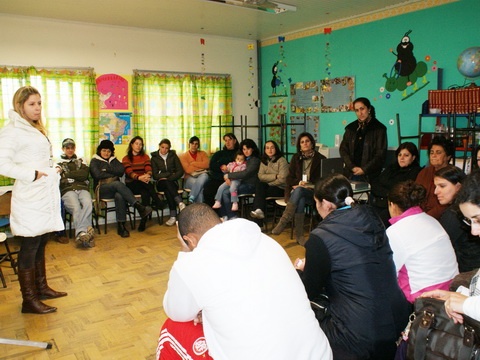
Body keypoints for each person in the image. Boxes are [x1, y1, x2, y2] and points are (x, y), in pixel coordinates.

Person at [158, 203, 333, 360]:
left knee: (172, 327)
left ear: (189, 239)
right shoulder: (266, 240)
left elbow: (176, 311)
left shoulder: (193, 264)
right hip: (319, 354)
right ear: (220, 221)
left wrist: (184, 251)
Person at [294, 174, 409, 359]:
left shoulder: (321, 236)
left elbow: (309, 289)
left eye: (316, 203)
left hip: (358, 332)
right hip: (396, 318)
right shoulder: (374, 219)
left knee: (299, 311)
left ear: (325, 203)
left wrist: (301, 271)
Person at [0, 86, 66, 314]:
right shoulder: (11, 131)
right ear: (20, 106)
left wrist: (51, 168)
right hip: (29, 196)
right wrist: (33, 175)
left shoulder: (33, 129)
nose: (37, 108)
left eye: (39, 103)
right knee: (29, 246)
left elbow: (36, 158)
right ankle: (29, 300)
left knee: (40, 242)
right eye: (32, 104)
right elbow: (3, 164)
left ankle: (41, 288)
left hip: (43, 195)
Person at [386, 180, 459, 303]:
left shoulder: (396, 231)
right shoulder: (432, 220)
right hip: (452, 288)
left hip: (424, 297)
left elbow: (389, 270)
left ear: (392, 205)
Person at [422, 171, 480, 324]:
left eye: (478, 220)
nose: (474, 231)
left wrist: (465, 304)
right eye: (470, 221)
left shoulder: (451, 216)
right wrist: (457, 296)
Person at [90, 139, 152, 238]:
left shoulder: (114, 160)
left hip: (114, 189)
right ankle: (138, 206)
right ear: (100, 151)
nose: (106, 153)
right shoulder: (94, 161)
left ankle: (121, 226)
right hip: (102, 189)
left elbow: (121, 171)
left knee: (120, 195)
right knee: (117, 184)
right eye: (104, 150)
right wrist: (112, 171)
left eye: (109, 151)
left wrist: (106, 169)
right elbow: (97, 175)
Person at [271, 132, 325, 245]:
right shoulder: (296, 158)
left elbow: (324, 180)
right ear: (299, 145)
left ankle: (284, 221)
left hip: (313, 193)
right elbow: (289, 178)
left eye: (307, 141)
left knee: (299, 192)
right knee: (299, 196)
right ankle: (299, 236)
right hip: (298, 192)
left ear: (312, 143)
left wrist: (310, 185)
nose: (305, 144)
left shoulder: (321, 159)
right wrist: (298, 183)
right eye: (302, 142)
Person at [435, 165, 480, 272]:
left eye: (442, 186)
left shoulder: (453, 214)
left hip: (467, 269)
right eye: (469, 221)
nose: (436, 191)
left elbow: (439, 249)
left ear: (459, 187)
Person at [370, 141, 422, 226]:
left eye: (406, 155)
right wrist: (388, 192)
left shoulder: (416, 172)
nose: (402, 158)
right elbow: (375, 184)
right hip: (377, 203)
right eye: (399, 155)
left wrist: (385, 192)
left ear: (413, 157)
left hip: (394, 208)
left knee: (377, 224)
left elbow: (401, 192)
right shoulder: (391, 168)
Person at [57, 138, 95, 248]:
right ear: (63, 149)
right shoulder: (58, 163)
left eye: (72, 148)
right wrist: (75, 174)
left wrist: (67, 174)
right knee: (76, 207)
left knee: (88, 204)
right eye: (67, 148)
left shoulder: (81, 160)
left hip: (82, 188)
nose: (70, 150)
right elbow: (60, 178)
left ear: (74, 148)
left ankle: (81, 233)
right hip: (67, 190)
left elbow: (83, 175)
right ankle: (86, 232)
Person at [339, 97, 387, 182]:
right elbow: (343, 150)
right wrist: (352, 167)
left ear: (369, 109)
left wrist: (364, 169)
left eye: (362, 109)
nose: (360, 113)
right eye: (357, 110)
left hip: (370, 175)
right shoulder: (351, 128)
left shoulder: (379, 129)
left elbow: (380, 154)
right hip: (350, 173)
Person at [122, 136, 163, 232]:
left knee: (145, 192)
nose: (138, 146)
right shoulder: (126, 158)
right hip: (132, 183)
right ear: (131, 145)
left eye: (140, 144)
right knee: (147, 186)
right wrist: (139, 177)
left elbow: (148, 169)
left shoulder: (145, 157)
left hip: (144, 182)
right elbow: (129, 172)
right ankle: (157, 200)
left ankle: (143, 221)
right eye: (136, 143)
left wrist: (147, 175)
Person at [216, 139, 261, 220]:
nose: (246, 151)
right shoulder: (244, 158)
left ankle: (232, 216)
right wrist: (227, 176)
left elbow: (245, 173)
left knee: (226, 193)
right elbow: (233, 168)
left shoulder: (255, 160)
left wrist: (229, 175)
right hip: (239, 182)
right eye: (244, 149)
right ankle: (225, 215)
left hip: (250, 185)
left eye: (248, 149)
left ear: (253, 149)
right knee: (222, 190)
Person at [415, 135, 455, 219]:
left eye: (438, 152)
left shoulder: (453, 174)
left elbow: (450, 202)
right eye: (432, 152)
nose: (433, 155)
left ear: (448, 156)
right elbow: (415, 196)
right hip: (421, 215)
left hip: (443, 216)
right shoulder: (424, 172)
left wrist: (428, 217)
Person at [250, 140, 288, 221]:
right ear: (264, 150)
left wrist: (269, 183)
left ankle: (258, 220)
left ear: (276, 149)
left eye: (272, 148)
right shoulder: (264, 160)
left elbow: (283, 179)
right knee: (260, 187)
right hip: (266, 187)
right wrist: (275, 176)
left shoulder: (281, 160)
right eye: (267, 148)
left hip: (281, 188)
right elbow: (260, 176)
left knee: (259, 192)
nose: (269, 150)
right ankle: (259, 212)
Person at [151, 138, 185, 227]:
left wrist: (167, 177)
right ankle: (179, 202)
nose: (164, 150)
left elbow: (180, 171)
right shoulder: (154, 158)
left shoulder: (173, 156)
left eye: (166, 148)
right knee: (166, 185)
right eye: (162, 147)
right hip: (160, 183)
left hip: (172, 182)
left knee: (168, 190)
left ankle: (173, 217)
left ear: (169, 148)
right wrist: (169, 174)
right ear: (159, 146)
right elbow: (155, 175)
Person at [202, 133, 239, 206]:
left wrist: (226, 167)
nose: (227, 142)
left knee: (221, 190)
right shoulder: (219, 153)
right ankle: (211, 213)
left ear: (234, 141)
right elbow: (212, 165)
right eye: (226, 140)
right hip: (216, 177)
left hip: (230, 179)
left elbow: (238, 166)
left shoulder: (238, 153)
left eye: (230, 140)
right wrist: (221, 166)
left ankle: (220, 213)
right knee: (207, 189)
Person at [179, 136, 210, 204]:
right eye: (192, 143)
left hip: (202, 177)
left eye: (196, 144)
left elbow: (207, 165)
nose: (194, 145)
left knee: (205, 175)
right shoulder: (183, 156)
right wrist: (201, 166)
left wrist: (193, 163)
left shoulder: (203, 153)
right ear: (189, 144)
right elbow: (188, 170)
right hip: (189, 178)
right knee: (200, 188)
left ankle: (192, 197)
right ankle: (200, 211)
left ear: (198, 145)